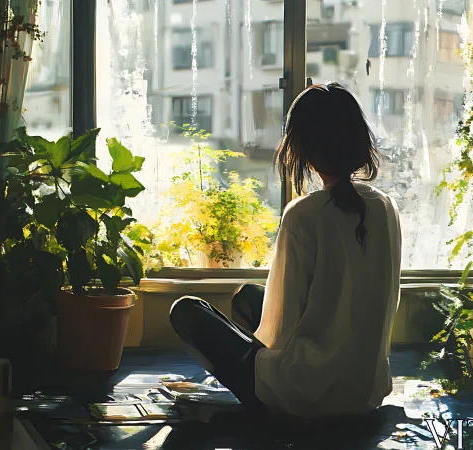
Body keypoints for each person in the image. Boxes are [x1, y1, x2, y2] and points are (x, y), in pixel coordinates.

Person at [169, 82, 402, 418]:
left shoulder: (304, 214)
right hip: (366, 390)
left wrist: (257, 361)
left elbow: (280, 330)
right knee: (249, 295)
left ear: (303, 147)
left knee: (187, 311)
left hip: (304, 395)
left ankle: (272, 401)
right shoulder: (386, 207)